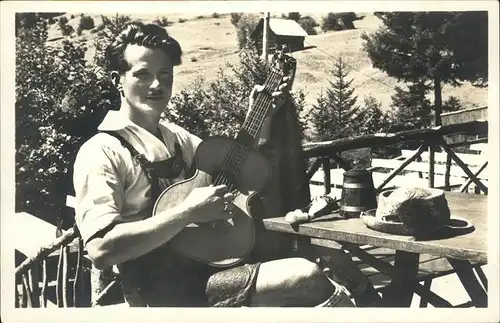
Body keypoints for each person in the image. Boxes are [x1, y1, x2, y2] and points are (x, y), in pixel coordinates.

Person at [73, 22, 376, 307]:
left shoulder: (174, 136)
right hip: (162, 288)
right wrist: (187, 212)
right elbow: (101, 250)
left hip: (211, 260)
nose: (157, 84)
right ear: (117, 80)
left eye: (165, 73)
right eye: (142, 74)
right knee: (304, 276)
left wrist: (257, 116)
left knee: (329, 253)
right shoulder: (102, 151)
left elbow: (226, 170)